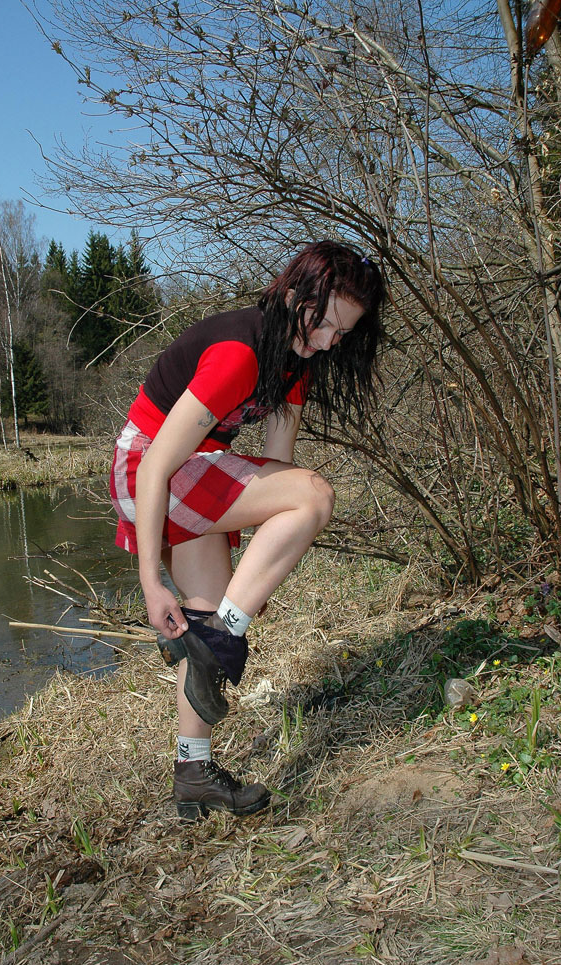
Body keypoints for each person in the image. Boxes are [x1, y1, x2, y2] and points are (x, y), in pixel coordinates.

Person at [110, 240, 385, 821]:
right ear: (293, 293)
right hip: (149, 467)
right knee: (316, 494)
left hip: (196, 470)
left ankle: (193, 771)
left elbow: (276, 474)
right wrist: (151, 584)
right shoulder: (239, 352)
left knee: (206, 615)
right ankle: (221, 639)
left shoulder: (294, 366)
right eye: (323, 322)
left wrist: (264, 565)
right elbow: (156, 465)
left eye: (342, 333)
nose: (328, 341)